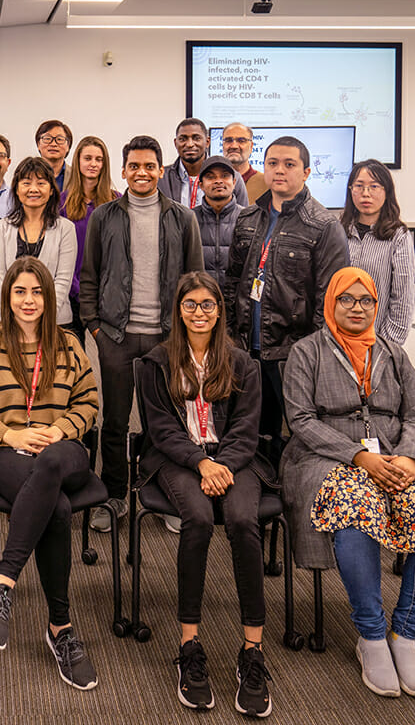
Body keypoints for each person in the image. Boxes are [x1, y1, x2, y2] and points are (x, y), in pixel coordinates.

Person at [281, 267, 415, 699]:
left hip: (396, 456)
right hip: (325, 457)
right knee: (356, 508)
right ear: (331, 303)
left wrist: (407, 455)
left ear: (376, 306)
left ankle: (404, 634)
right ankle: (370, 636)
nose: (357, 308)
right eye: (347, 299)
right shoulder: (306, 352)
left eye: (366, 301)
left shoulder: (393, 353)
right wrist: (359, 457)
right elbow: (301, 421)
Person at [136, 271, 273, 717]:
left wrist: (222, 464)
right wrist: (201, 463)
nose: (199, 313)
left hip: (235, 460)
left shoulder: (241, 362)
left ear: (220, 311)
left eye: (208, 305)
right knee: (196, 520)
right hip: (180, 460)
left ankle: (251, 650)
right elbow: (160, 429)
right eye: (190, 304)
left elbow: (246, 430)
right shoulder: (156, 362)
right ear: (178, 309)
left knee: (243, 521)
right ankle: (189, 646)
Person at [0, 257, 100, 691]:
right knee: (55, 507)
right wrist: (8, 433)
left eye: (37, 291)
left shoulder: (68, 344)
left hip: (64, 450)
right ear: (7, 297)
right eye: (20, 291)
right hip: (6, 451)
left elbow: (89, 404)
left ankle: (2, 583)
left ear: (49, 297)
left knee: (54, 462)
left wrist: (58, 430)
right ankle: (61, 627)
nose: (28, 300)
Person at [80, 135, 204, 533]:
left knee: (162, 424)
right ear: (123, 171)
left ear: (161, 170)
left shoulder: (183, 218)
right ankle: (114, 497)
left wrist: (185, 335)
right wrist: (95, 328)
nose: (142, 173)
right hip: (115, 335)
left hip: (166, 339)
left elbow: (195, 282)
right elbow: (90, 276)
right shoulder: (104, 216)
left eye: (150, 166)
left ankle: (161, 494)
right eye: (134, 166)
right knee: (114, 422)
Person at [224, 136, 348, 454]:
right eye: (273, 163)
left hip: (291, 353)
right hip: (244, 349)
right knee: (249, 431)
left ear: (306, 172)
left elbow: (330, 302)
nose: (280, 170)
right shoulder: (248, 218)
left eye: (289, 164)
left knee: (295, 435)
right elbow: (233, 281)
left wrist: (314, 357)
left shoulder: (323, 226)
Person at [0, 157, 77, 326]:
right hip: (12, 323)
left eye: (41, 183)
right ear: (16, 189)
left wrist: (43, 316)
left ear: (52, 190)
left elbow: (63, 281)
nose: (33, 189)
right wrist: (17, 313)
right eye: (26, 183)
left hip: (55, 322)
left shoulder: (66, 228)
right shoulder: (2, 227)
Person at [340, 159, 415, 344]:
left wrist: (387, 344)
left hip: (378, 341)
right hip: (337, 339)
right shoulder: (338, 231)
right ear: (351, 190)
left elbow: (403, 298)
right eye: (359, 186)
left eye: (374, 186)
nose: (366, 194)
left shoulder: (399, 236)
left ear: (387, 191)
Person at [60, 135, 118, 337]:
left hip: (107, 296)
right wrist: (77, 289)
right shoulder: (61, 203)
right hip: (71, 293)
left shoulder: (116, 202)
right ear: (78, 162)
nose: (93, 164)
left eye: (99, 159)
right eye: (88, 158)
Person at [157, 118, 247, 209]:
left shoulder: (232, 177)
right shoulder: (161, 178)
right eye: (183, 139)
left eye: (196, 138)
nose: (189, 144)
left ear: (207, 142)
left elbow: (243, 217)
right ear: (176, 143)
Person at [194, 155, 243, 288]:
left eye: (225, 176)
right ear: (201, 185)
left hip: (236, 301)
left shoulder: (247, 218)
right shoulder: (189, 218)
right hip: (201, 300)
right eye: (211, 177)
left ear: (234, 182)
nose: (218, 181)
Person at [222, 123, 267, 204]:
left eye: (241, 141)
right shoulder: (211, 183)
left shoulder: (266, 184)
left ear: (251, 146)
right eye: (228, 140)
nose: (234, 146)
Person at [35, 120, 72, 191]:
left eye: (59, 139)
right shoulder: (26, 175)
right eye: (47, 139)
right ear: (38, 144)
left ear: (68, 146)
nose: (53, 144)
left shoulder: (77, 176)